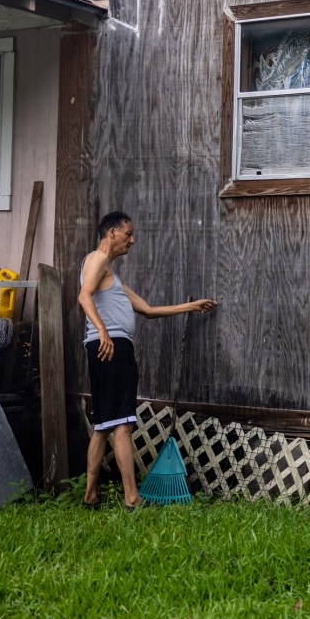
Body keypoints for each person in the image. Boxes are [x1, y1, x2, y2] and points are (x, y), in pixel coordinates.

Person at [79, 210, 216, 510]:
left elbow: (148, 309)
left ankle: (90, 495)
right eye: (128, 233)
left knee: (103, 424)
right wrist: (104, 331)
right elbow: (83, 296)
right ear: (111, 232)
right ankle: (132, 498)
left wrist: (192, 305)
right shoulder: (97, 259)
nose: (132, 239)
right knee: (123, 425)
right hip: (111, 348)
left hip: (103, 348)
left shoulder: (110, 275)